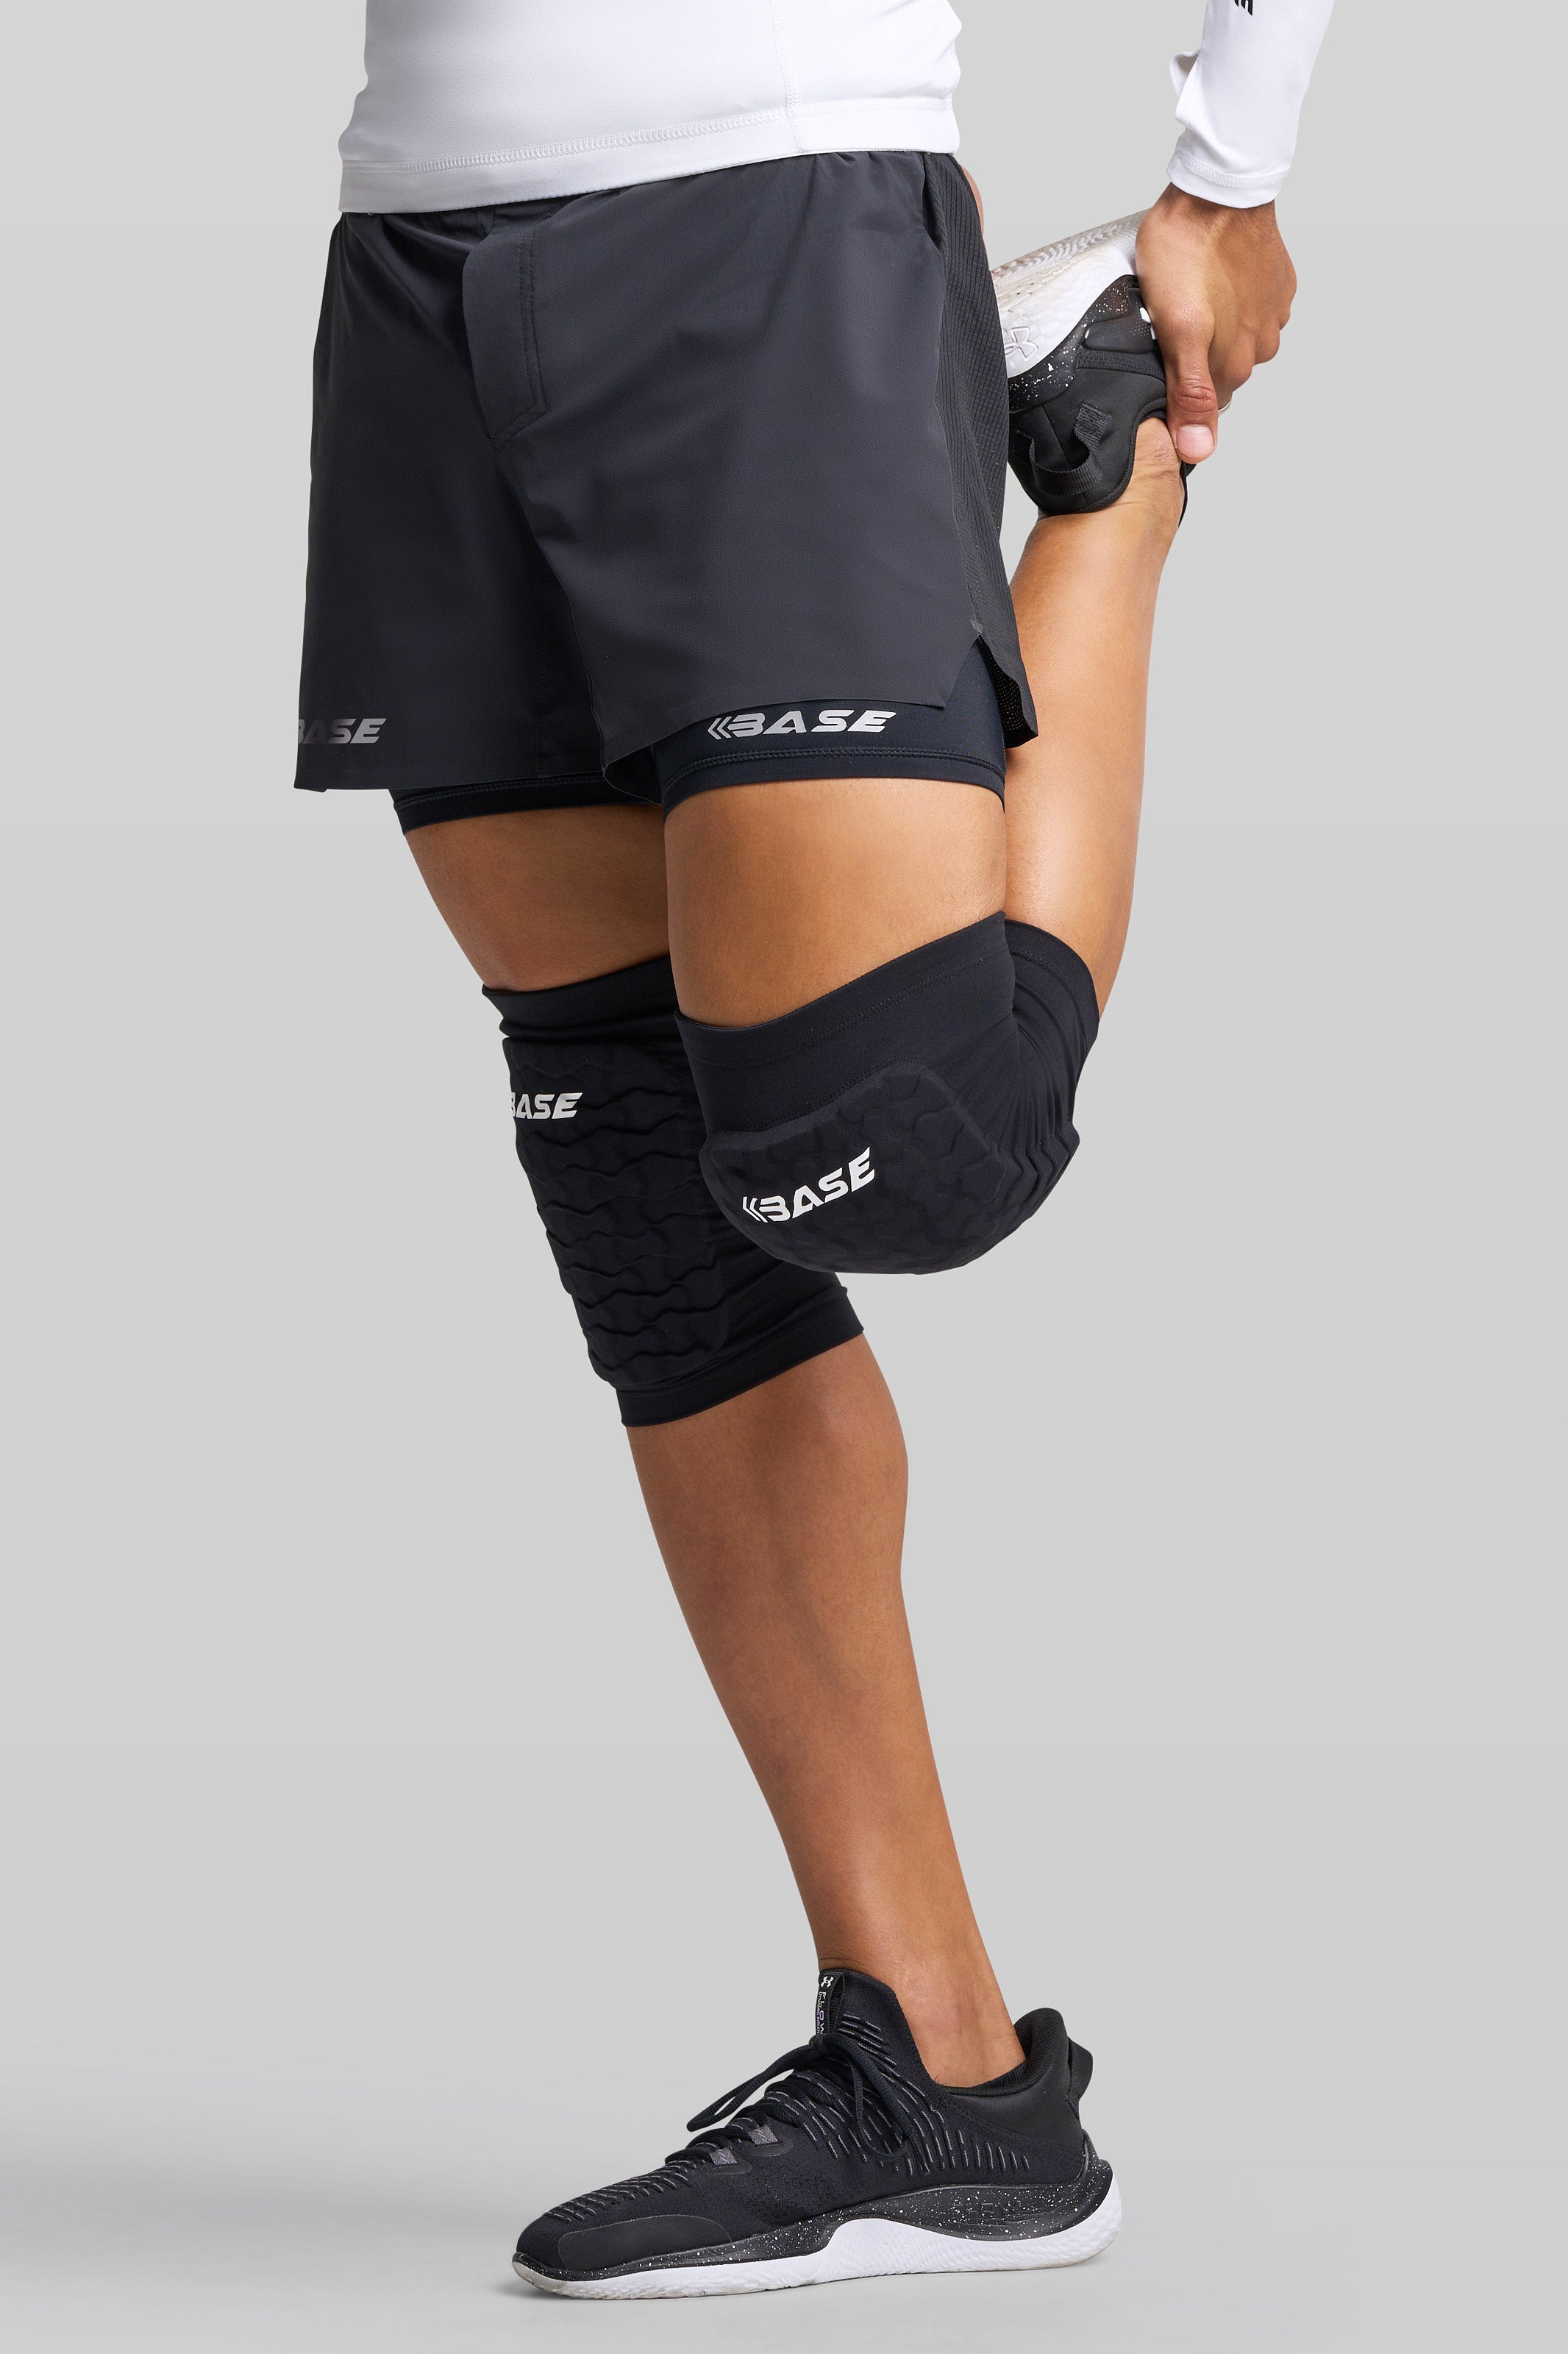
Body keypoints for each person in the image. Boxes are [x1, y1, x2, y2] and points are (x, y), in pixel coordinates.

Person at [296, 0, 1334, 2300]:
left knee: (900, 1149)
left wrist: (1228, 169)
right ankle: (941, 2086)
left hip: (762, 208)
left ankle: (1110, 478)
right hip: (423, 258)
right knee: (647, 1198)